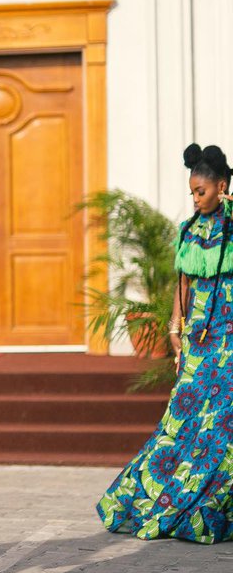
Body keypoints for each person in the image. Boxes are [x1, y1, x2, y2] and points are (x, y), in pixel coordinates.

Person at [98, 142, 233, 543]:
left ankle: (212, 501)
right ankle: (160, 496)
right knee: (182, 422)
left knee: (222, 426)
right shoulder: (189, 230)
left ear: (221, 186)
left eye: (202, 191)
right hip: (199, 343)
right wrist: (175, 331)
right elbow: (183, 284)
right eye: (192, 192)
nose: (195, 198)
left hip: (230, 337)